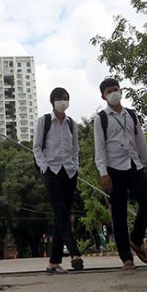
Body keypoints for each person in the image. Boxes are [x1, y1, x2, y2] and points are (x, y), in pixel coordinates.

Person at [93, 77, 147, 270]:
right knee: (118, 214)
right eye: (109, 91)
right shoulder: (101, 118)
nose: (114, 93)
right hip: (114, 169)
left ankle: (136, 238)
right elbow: (100, 149)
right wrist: (103, 173)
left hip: (134, 165)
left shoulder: (131, 115)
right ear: (103, 96)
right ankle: (126, 258)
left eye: (116, 89)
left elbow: (141, 143)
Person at [32, 86, 84, 274]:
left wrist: (75, 166)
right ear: (53, 101)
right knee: (61, 212)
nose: (64, 101)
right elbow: (36, 147)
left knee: (61, 216)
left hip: (69, 172)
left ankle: (54, 262)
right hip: (51, 171)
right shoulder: (44, 121)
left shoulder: (71, 123)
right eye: (61, 98)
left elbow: (76, 148)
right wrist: (44, 167)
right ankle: (75, 253)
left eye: (67, 98)